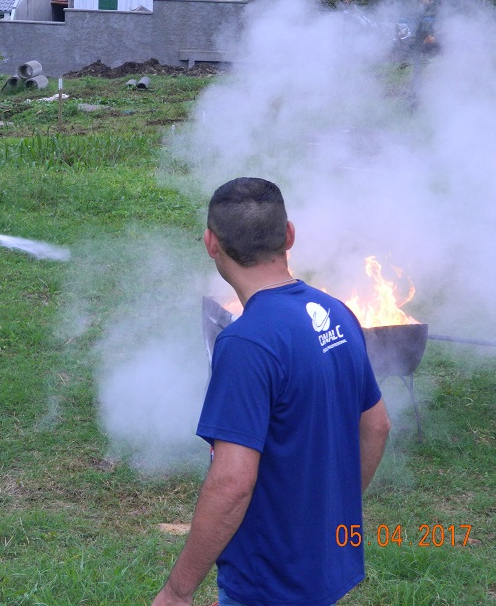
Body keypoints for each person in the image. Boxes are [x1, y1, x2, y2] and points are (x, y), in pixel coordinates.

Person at [153, 178, 391, 606]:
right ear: (289, 235)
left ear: (211, 242)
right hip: (323, 568)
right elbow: (376, 426)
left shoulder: (246, 343)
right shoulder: (336, 312)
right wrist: (331, 522)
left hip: (270, 582)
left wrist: (177, 591)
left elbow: (232, 483)